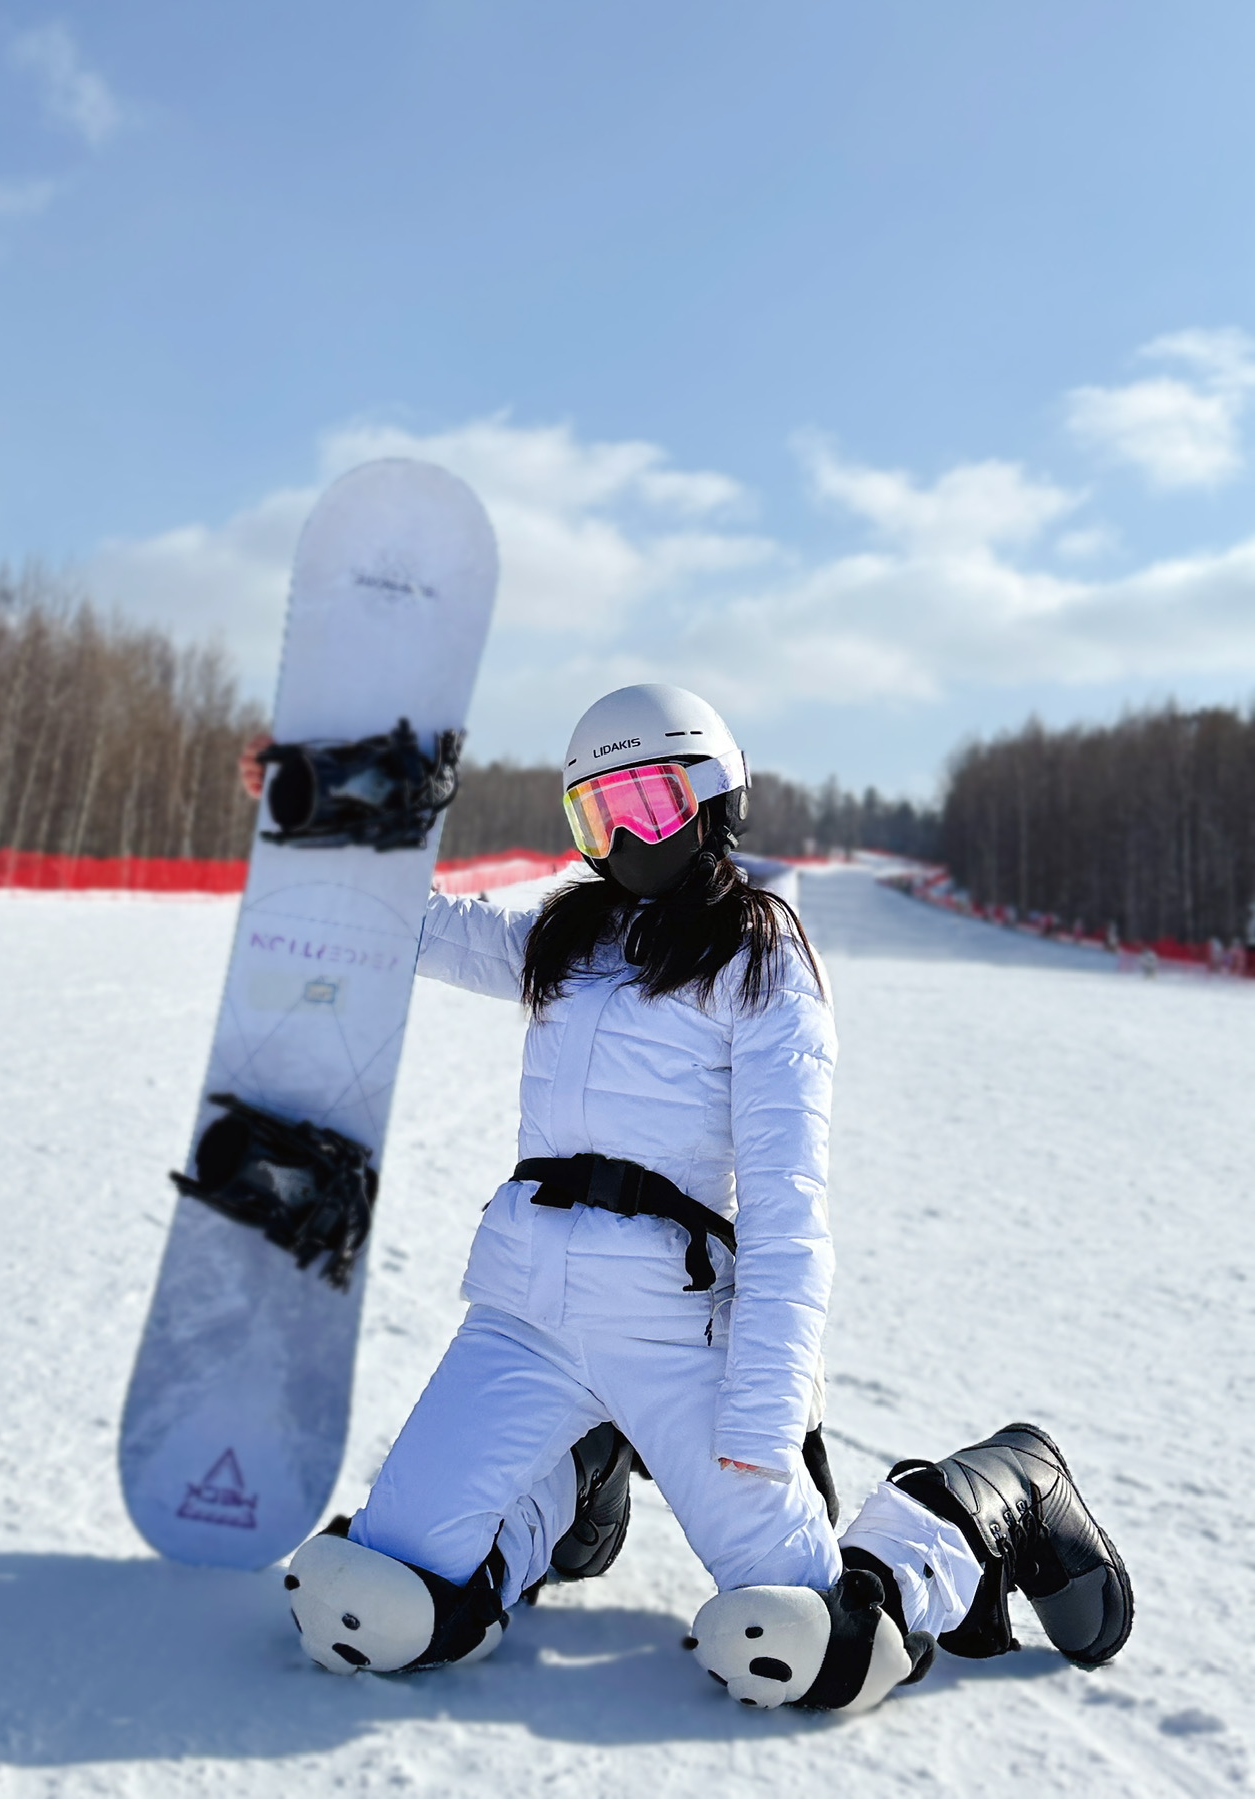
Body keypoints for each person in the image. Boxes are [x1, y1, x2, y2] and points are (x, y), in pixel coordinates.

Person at [246, 685, 1132, 1713]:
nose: (625, 836)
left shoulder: (760, 960)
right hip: (526, 1320)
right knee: (372, 1603)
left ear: (713, 801)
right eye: (598, 814)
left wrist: (763, 1412)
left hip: (679, 1333)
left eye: (650, 804)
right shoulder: (567, 943)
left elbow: (789, 1209)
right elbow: (412, 927)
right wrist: (327, 820)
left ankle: (991, 1498)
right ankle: (575, 1472)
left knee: (799, 1641)